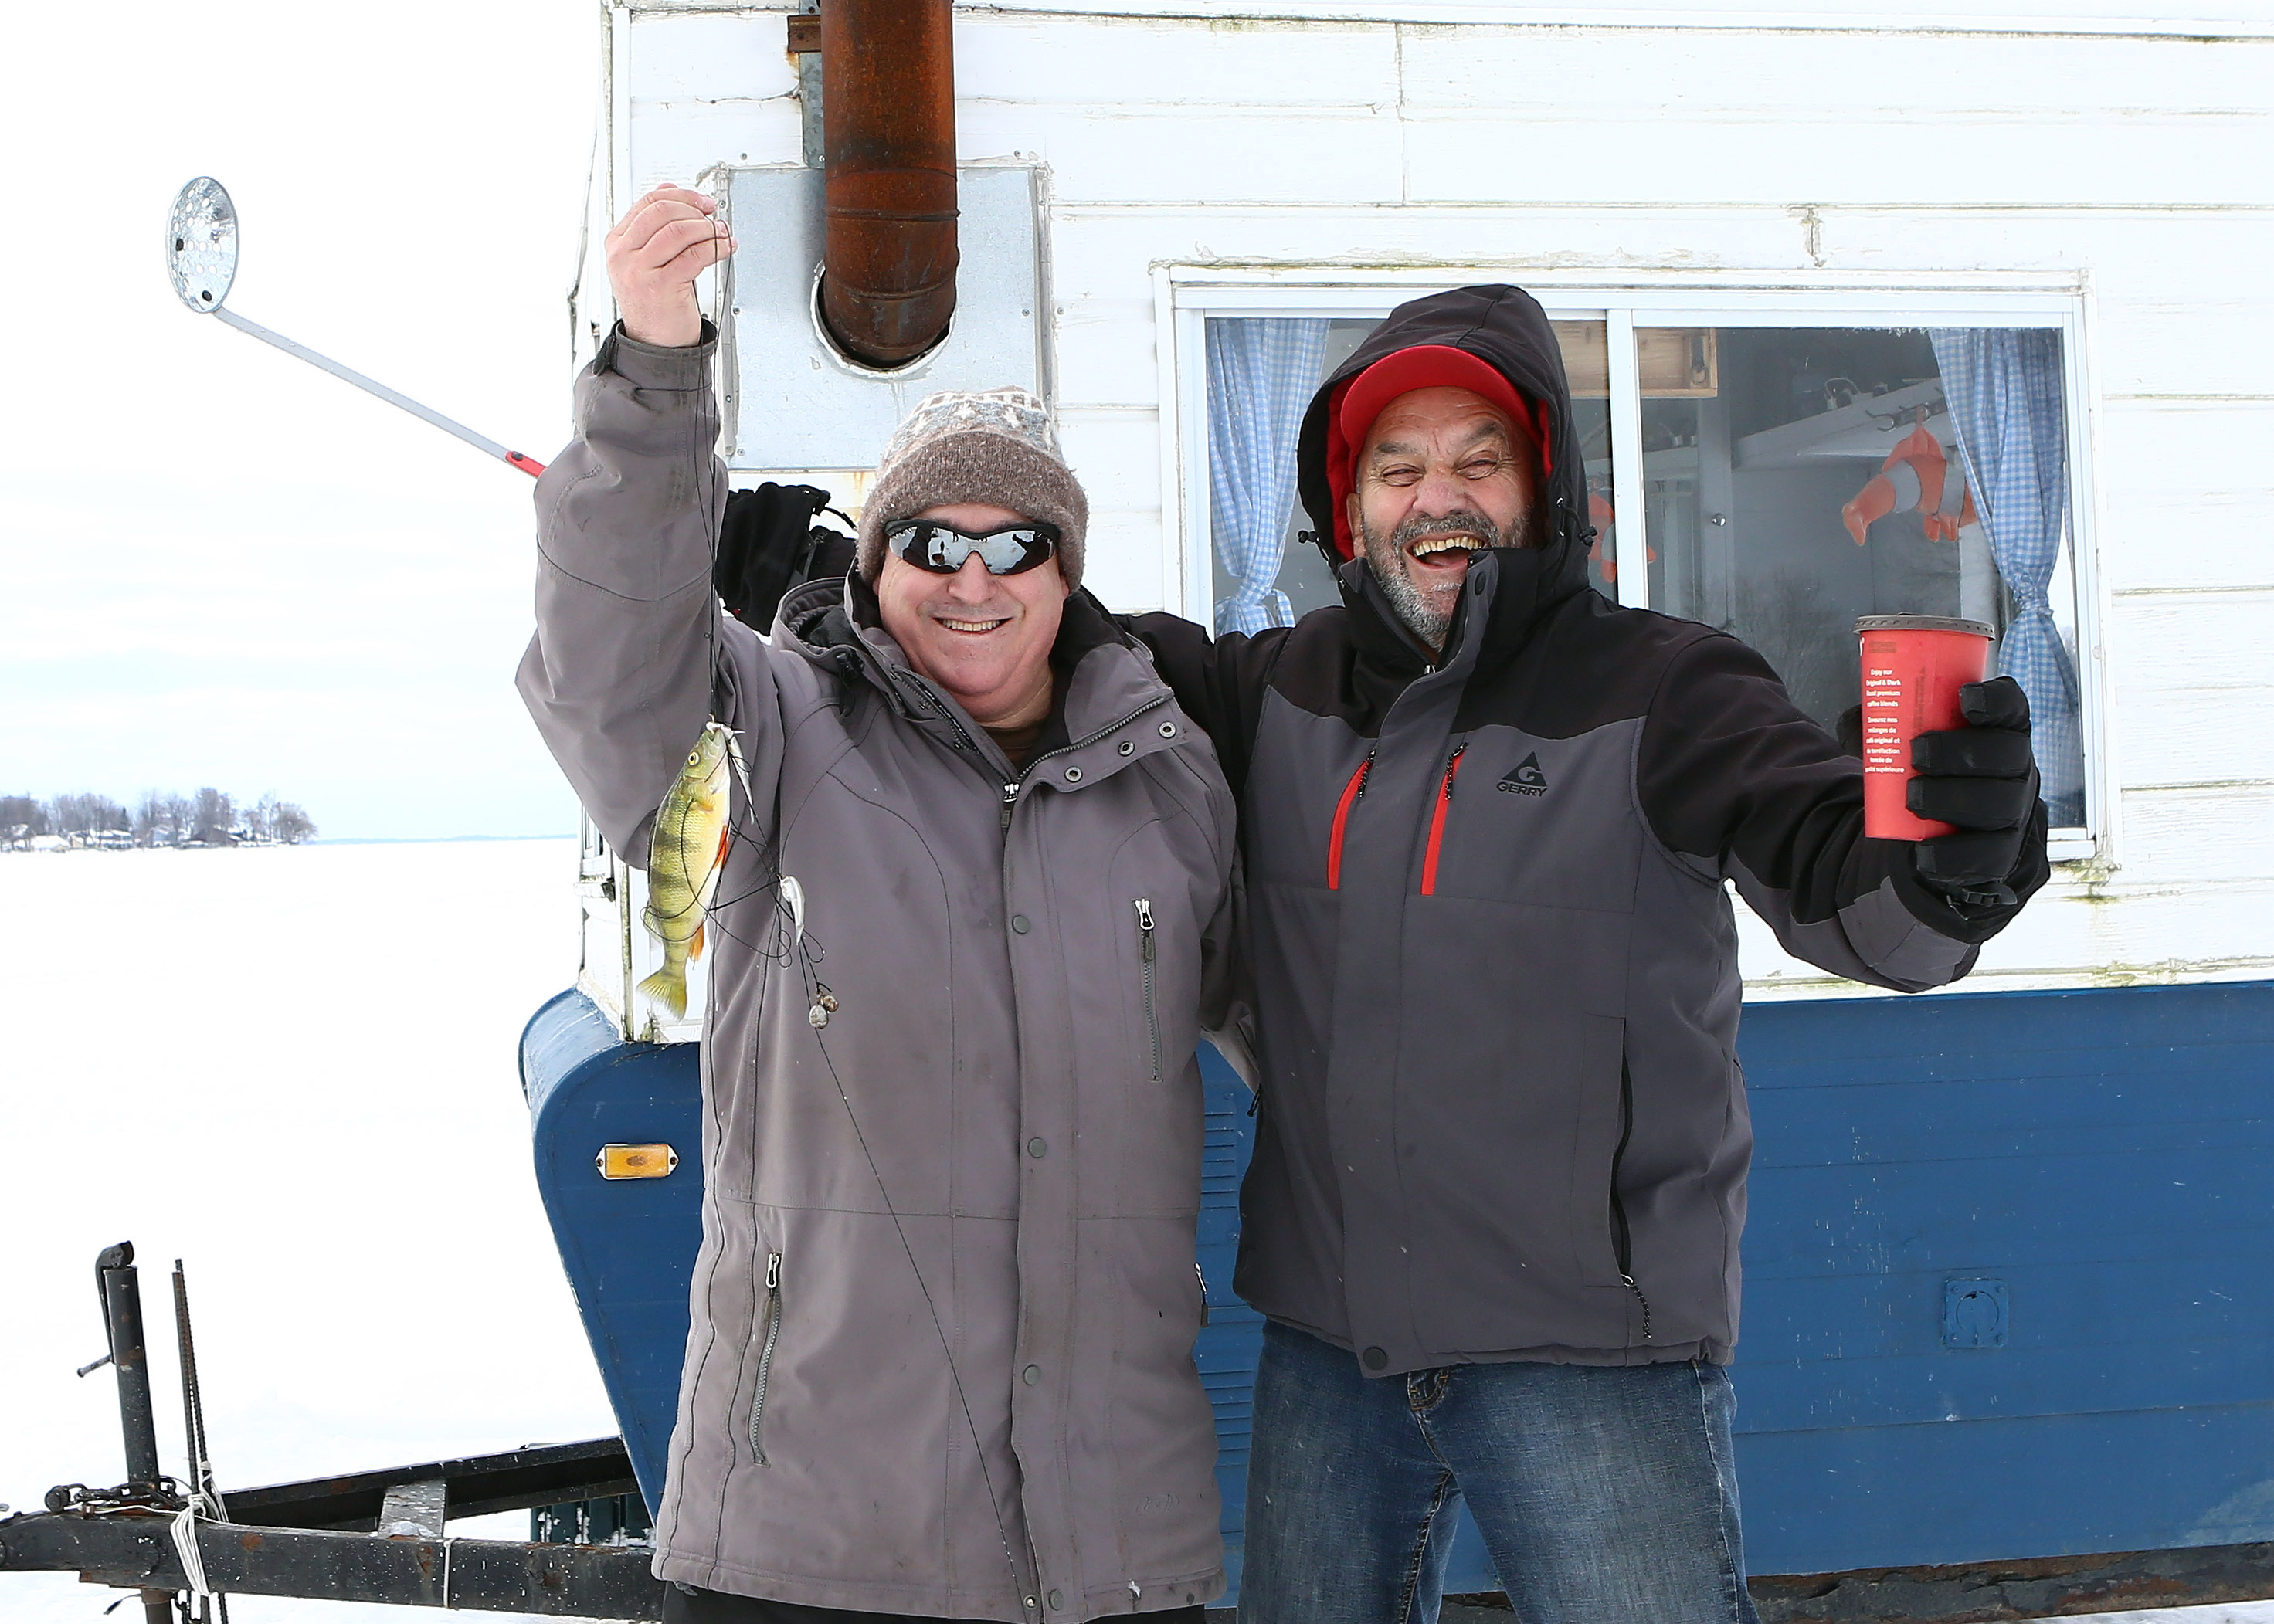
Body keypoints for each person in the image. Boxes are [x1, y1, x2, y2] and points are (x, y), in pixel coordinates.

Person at [1125, 285, 2050, 1624]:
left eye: (1476, 463)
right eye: (1397, 469)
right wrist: (876, 588)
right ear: (1349, 506)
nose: (1435, 499)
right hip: (1332, 1340)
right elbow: (1043, 659)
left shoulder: (1667, 690)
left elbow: (1851, 890)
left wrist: (1951, 868)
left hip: (1588, 1350)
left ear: (1542, 487)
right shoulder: (1273, 695)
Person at [518, 185, 1238, 1624]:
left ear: (1065, 570)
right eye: (931, 544)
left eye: (1014, 544)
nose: (972, 580)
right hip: (814, 1541)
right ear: (873, 565)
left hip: (1114, 1550)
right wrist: (657, 375)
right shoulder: (778, 736)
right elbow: (614, 671)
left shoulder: (1173, 784)